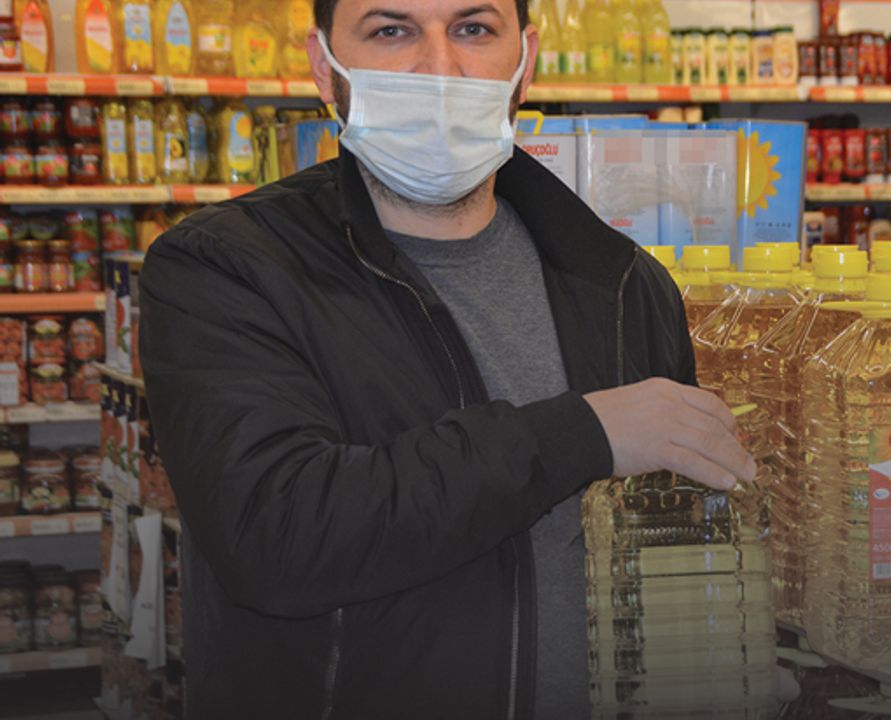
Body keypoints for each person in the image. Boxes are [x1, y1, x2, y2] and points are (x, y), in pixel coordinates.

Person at [137, 0, 756, 717]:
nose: (439, 66)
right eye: (391, 30)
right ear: (323, 67)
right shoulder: (227, 268)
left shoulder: (623, 283)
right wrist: (581, 433)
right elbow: (274, 536)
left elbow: (669, 544)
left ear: (524, 61)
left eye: (473, 29)